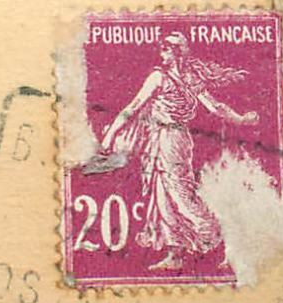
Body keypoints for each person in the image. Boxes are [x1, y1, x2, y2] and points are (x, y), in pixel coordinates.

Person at [95, 32, 259, 271]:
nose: (161, 54)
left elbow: (133, 107)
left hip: (169, 140)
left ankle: (222, 237)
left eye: (165, 50)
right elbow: (216, 107)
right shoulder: (188, 77)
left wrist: (109, 137)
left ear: (175, 52)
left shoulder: (159, 77)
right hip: (172, 139)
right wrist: (241, 119)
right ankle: (175, 254)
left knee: (179, 194)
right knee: (163, 195)